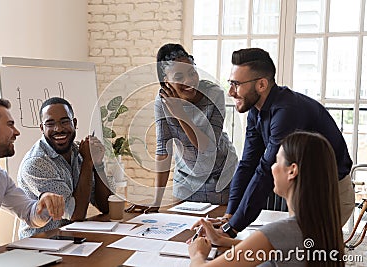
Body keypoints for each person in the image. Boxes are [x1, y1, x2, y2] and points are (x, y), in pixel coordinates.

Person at [218, 48, 354, 238]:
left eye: (236, 84)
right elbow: (248, 164)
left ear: (262, 84)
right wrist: (229, 215)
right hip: (302, 192)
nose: (231, 92)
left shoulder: (286, 112)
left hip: (329, 194)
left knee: (307, 257)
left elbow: (265, 171)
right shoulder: (256, 111)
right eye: (230, 83)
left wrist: (232, 229)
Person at [189, 131, 345, 267]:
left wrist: (198, 254)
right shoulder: (321, 226)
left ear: (292, 171)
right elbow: (278, 248)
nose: (272, 167)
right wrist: (221, 240)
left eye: (277, 161)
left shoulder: (282, 231)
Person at [125, 43, 238, 213]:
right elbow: (164, 149)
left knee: (216, 232)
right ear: (166, 81)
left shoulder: (214, 94)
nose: (189, 81)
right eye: (179, 76)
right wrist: (156, 202)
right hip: (186, 179)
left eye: (192, 73)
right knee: (180, 234)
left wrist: (180, 113)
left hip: (221, 177)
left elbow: (207, 148)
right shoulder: (162, 101)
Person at [0, 97, 64, 253]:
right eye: (10, 125)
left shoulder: (1, 179)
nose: (17, 132)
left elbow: (30, 214)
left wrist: (44, 204)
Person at [17, 97, 111, 238]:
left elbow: (106, 206)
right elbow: (75, 214)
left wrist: (98, 164)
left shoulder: (78, 152)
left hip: (72, 239)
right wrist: (88, 162)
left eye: (64, 121)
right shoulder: (36, 163)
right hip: (41, 245)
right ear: (42, 128)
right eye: (50, 123)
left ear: (74, 123)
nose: (58, 129)